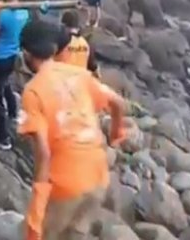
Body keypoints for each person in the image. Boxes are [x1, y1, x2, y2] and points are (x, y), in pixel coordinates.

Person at [18, 19, 127, 240]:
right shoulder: (80, 75)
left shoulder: (33, 91)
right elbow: (117, 103)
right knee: (76, 233)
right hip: (98, 177)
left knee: (44, 233)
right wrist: (117, 134)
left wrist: (36, 209)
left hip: (66, 183)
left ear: (26, 53)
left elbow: (43, 153)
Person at [0, 0, 30, 150]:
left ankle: (2, 137)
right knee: (5, 85)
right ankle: (13, 113)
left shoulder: (3, 15)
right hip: (13, 55)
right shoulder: (25, 13)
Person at [55, 9, 99, 76]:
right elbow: (94, 68)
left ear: (63, 25)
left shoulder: (60, 41)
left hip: (62, 82)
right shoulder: (86, 43)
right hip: (80, 83)